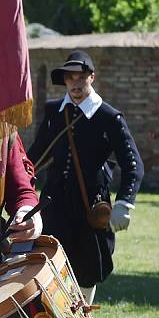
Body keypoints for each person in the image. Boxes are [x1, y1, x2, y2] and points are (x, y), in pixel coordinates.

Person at [28, 50, 143, 304]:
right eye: (70, 78)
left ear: (92, 77)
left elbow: (133, 164)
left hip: (90, 204)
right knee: (50, 262)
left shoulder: (108, 117)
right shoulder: (54, 112)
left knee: (88, 267)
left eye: (81, 77)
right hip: (54, 202)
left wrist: (124, 202)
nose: (76, 84)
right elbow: (34, 158)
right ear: (65, 81)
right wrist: (16, 189)